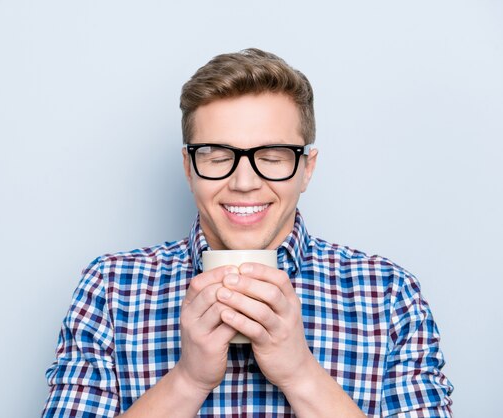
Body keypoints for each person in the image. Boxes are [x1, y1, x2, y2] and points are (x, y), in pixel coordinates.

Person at [41, 48, 453, 417]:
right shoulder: (111, 288)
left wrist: (301, 375)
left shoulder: (388, 293)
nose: (244, 182)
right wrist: (188, 381)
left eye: (272, 157)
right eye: (217, 156)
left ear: (307, 168)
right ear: (188, 168)